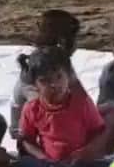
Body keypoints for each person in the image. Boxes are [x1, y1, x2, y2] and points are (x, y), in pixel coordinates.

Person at [16, 46, 111, 167]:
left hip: (81, 164)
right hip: (52, 166)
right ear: (35, 84)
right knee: (27, 166)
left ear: (68, 76)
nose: (54, 85)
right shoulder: (31, 109)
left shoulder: (82, 103)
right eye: (45, 81)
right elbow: (27, 141)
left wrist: (86, 152)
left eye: (59, 77)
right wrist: (43, 158)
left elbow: (99, 132)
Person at [9, 10, 81, 139]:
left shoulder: (59, 65)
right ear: (63, 42)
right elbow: (48, 123)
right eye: (74, 38)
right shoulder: (38, 77)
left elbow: (80, 99)